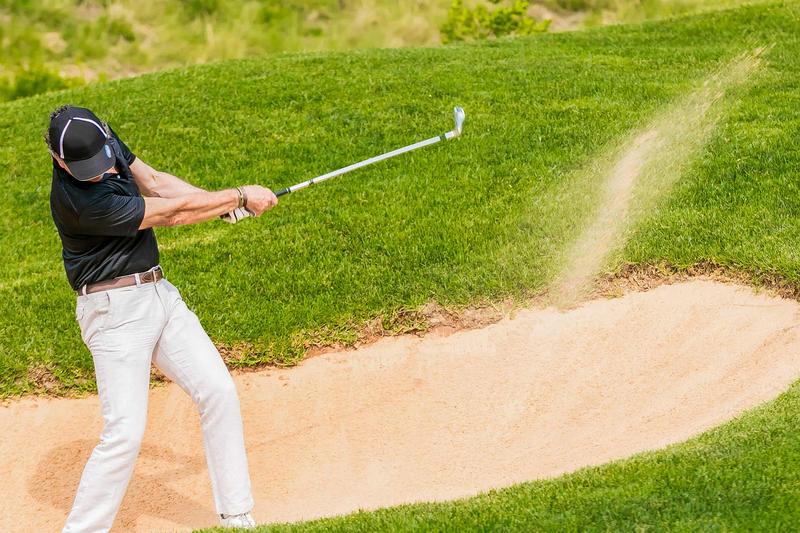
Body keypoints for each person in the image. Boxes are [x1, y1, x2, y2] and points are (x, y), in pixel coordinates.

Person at [46, 105, 276, 532]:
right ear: (59, 159)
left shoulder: (100, 136)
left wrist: (219, 203)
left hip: (159, 295)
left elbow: (152, 181)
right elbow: (171, 214)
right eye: (85, 168)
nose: (98, 173)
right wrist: (238, 196)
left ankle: (238, 516)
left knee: (218, 391)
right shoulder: (79, 202)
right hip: (113, 315)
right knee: (125, 435)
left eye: (100, 161)